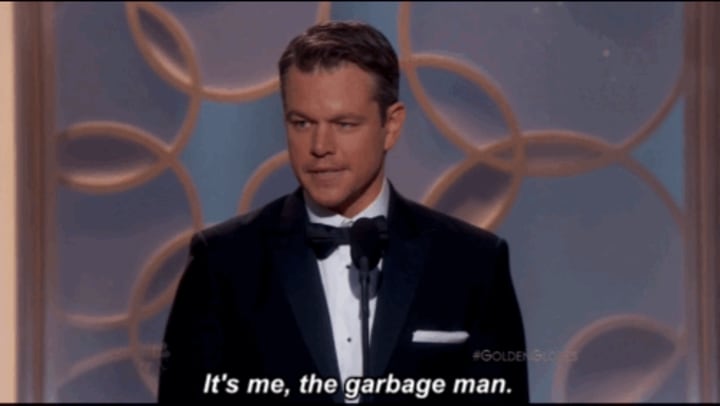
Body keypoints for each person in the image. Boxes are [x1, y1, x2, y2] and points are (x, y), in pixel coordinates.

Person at [157, 20, 529, 404]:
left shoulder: (473, 263)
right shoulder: (223, 263)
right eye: (302, 123)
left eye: (344, 124)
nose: (320, 146)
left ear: (391, 126)